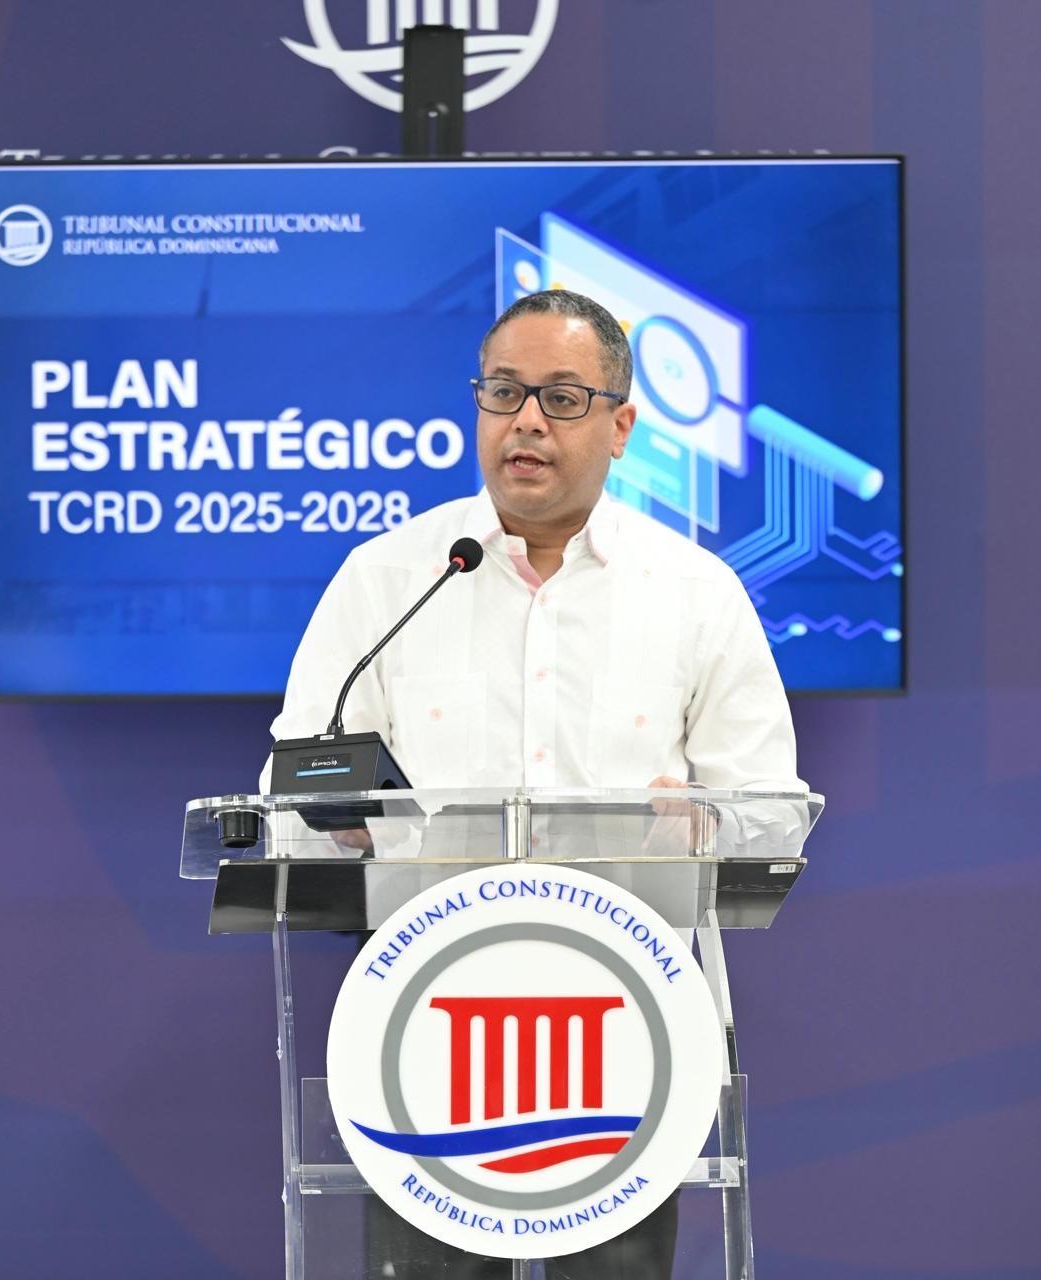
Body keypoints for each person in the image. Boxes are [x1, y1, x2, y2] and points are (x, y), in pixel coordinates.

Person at [264, 289, 804, 1278]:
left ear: (620, 426)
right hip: (427, 1027)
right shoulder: (389, 578)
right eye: (503, 392)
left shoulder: (694, 593)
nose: (524, 421)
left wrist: (702, 824)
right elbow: (286, 795)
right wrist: (339, 823)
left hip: (623, 1030)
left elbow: (770, 812)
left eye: (560, 397)